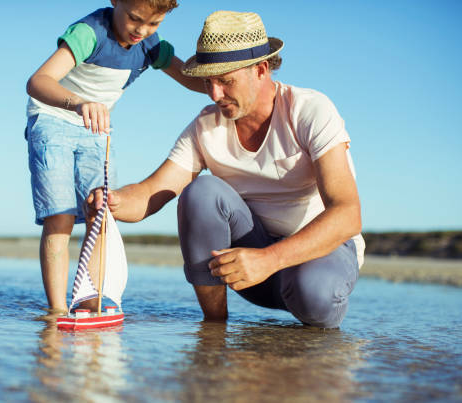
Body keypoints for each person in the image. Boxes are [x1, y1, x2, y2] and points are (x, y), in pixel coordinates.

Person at [88, 10, 365, 328]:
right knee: (202, 192)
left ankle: (314, 346)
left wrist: (270, 259)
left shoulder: (310, 110)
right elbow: (152, 191)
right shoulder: (206, 126)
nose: (214, 94)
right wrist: (115, 200)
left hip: (318, 261)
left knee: (311, 290)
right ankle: (214, 330)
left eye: (225, 80)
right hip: (250, 267)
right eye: (208, 82)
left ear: (261, 69)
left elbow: (348, 213)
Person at [25, 0, 205, 313]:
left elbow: (190, 80)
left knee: (101, 212)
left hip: (96, 129)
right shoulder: (89, 32)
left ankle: (88, 306)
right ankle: (56, 312)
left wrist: (229, 82)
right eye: (135, 18)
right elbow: (37, 81)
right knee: (61, 216)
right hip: (53, 118)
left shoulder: (150, 46)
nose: (141, 30)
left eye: (153, 24)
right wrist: (79, 103)